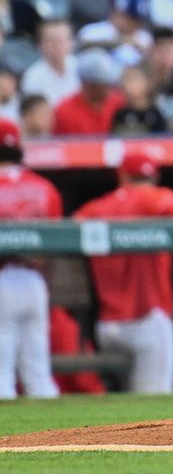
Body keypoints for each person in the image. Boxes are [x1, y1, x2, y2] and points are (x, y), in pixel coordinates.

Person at [73, 152, 173, 393]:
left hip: (107, 328)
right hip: (148, 322)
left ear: (122, 175)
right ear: (154, 176)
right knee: (154, 407)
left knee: (126, 412)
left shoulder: (97, 207)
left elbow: (70, 226)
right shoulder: (155, 198)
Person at [0, 119, 62, 399]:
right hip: (35, 280)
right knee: (38, 370)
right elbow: (55, 246)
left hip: (3, 278)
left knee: (2, 370)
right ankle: (54, 438)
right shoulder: (44, 186)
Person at [52, 48, 124, 136]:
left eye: (109, 83)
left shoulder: (119, 103)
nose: (109, 88)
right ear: (87, 84)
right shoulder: (64, 111)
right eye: (103, 84)